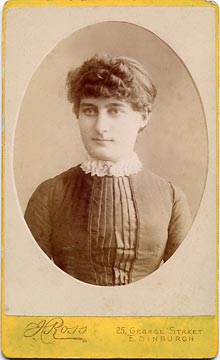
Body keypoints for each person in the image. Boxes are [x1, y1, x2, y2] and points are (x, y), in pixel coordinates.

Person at [24, 54, 191, 286]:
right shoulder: (50, 195)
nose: (101, 127)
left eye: (115, 111)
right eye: (90, 111)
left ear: (142, 117)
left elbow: (186, 289)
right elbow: (26, 286)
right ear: (78, 114)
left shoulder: (171, 198)